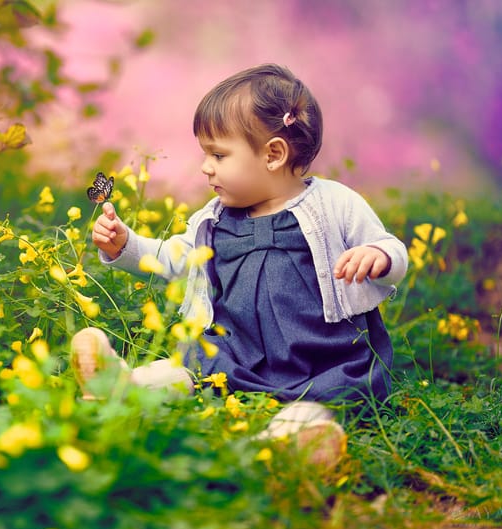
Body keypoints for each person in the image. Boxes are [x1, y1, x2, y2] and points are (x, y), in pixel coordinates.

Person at [71, 63, 408, 465]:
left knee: (319, 398)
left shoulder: (335, 204)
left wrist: (380, 257)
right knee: (189, 369)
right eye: (205, 154)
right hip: (235, 349)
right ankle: (123, 384)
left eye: (218, 154)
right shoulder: (214, 218)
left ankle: (290, 443)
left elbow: (391, 248)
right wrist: (126, 245)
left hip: (319, 355)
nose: (205, 166)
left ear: (273, 154)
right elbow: (174, 258)